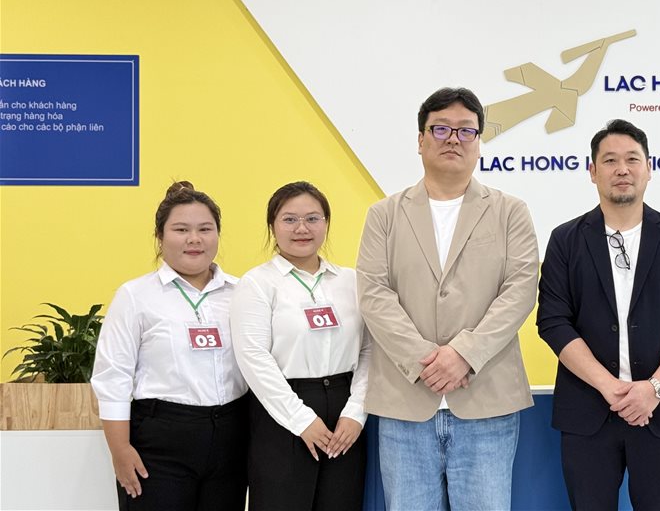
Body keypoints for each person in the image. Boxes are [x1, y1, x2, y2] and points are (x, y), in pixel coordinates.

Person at [356, 87, 539, 510]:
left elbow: (520, 289)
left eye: (465, 130)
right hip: (405, 403)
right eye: (441, 129)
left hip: (486, 400)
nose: (453, 138)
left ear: (478, 142)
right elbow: (374, 293)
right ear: (421, 140)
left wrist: (465, 355)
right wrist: (424, 360)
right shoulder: (384, 214)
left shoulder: (510, 211)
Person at [536, 118, 660, 511]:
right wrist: (608, 386)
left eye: (632, 159)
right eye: (610, 160)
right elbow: (553, 321)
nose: (622, 169)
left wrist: (655, 388)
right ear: (592, 171)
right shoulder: (565, 239)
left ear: (649, 168)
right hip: (588, 413)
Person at [92, 181, 249, 510]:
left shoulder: (242, 293)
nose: (194, 239)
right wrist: (120, 450)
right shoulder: (136, 296)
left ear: (217, 235)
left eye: (205, 229)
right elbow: (113, 377)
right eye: (181, 229)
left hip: (232, 438)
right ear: (160, 237)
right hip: (161, 442)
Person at [230, 181, 371, 511]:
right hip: (282, 412)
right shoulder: (258, 283)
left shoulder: (351, 281)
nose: (302, 228)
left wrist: (356, 413)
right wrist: (300, 419)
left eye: (312, 218)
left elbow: (370, 350)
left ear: (326, 223)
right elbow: (253, 357)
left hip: (345, 414)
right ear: (272, 225)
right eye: (290, 219)